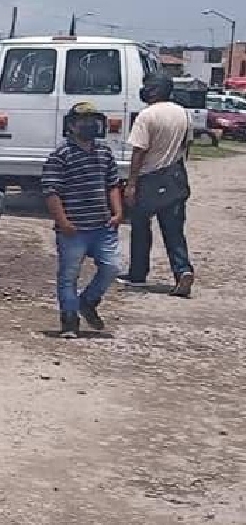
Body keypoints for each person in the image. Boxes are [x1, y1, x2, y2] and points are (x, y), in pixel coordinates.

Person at [41, 102, 124, 339]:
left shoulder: (104, 152)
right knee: (69, 275)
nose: (89, 125)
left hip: (102, 225)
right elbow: (51, 191)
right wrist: (63, 221)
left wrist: (118, 213)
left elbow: (112, 184)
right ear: (71, 125)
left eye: (93, 120)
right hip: (73, 229)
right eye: (83, 120)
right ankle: (69, 320)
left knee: (111, 268)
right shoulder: (60, 155)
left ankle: (88, 302)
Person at [121, 74, 195, 297]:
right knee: (174, 230)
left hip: (148, 177)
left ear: (154, 90)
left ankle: (138, 274)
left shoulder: (147, 115)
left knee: (141, 228)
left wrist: (131, 183)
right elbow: (187, 144)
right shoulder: (184, 113)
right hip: (175, 176)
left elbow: (139, 151)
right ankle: (182, 270)